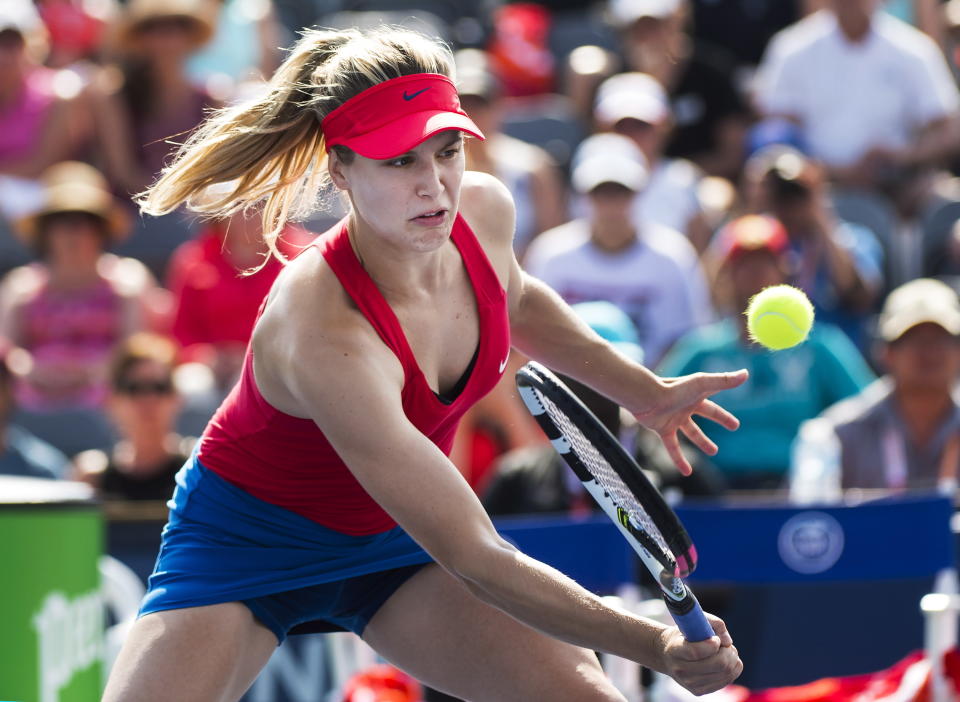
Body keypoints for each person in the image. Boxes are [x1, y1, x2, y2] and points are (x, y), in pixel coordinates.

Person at [102, 27, 745, 702]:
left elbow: (516, 298)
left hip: (398, 545)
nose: (434, 185)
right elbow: (476, 556)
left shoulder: (483, 210)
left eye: (447, 151)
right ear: (340, 171)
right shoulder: (322, 326)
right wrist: (656, 644)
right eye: (400, 162)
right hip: (247, 543)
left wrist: (644, 392)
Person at [659, 215, 875, 490]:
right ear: (725, 275)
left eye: (765, 262)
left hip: (801, 491)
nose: (755, 273)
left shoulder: (821, 348)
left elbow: (865, 411)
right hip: (711, 497)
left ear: (784, 271)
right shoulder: (699, 350)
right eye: (743, 264)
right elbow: (655, 410)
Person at [0, 161, 161, 456]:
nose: (74, 233)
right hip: (34, 392)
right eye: (63, 222)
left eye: (84, 222)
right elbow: (6, 351)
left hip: (107, 394)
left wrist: (92, 372)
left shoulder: (127, 280)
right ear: (46, 231)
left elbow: (135, 350)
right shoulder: (21, 286)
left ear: (100, 230)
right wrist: (35, 371)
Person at [525, 132, 713, 366]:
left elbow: (686, 340)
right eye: (600, 193)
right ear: (582, 194)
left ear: (640, 192)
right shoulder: (550, 254)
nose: (611, 204)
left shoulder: (673, 256)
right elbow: (532, 335)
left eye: (621, 192)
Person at [790, 277, 960, 503]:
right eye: (913, 339)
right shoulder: (833, 434)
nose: (929, 352)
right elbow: (812, 516)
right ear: (885, 352)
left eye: (941, 340)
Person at [73, 332, 192, 501]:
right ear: (112, 400)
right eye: (134, 388)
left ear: (177, 398)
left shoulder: (198, 469)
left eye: (160, 387)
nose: (149, 399)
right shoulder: (92, 477)